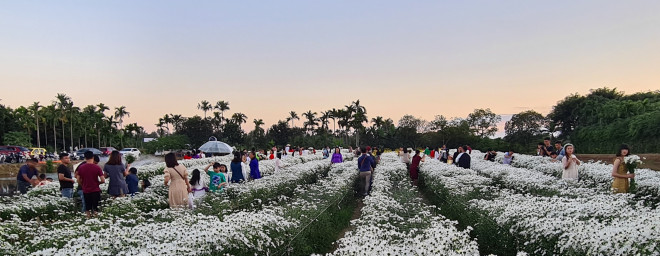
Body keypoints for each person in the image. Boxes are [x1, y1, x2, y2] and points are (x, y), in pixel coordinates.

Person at [76, 151, 105, 218]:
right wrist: (97, 183)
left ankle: (87, 219)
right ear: (93, 157)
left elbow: (78, 179)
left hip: (86, 190)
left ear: (85, 157)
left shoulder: (81, 167)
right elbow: (103, 180)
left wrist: (83, 184)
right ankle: (96, 220)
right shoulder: (97, 167)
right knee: (96, 208)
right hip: (95, 190)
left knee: (87, 208)